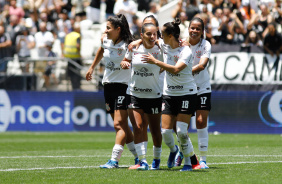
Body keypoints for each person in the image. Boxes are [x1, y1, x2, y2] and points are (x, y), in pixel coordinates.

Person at [143, 18, 198, 171]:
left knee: (180, 130)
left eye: (161, 34)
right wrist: (135, 43)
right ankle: (175, 150)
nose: (158, 36)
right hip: (169, 94)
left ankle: (189, 162)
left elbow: (175, 69)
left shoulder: (185, 51)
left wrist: (156, 62)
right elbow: (149, 41)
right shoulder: (164, 45)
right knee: (166, 132)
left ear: (171, 35)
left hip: (187, 93)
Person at [85, 14, 138, 168]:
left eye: (108, 28)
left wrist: (129, 64)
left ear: (118, 29)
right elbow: (101, 51)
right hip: (108, 86)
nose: (106, 31)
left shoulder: (129, 45)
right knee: (122, 126)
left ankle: (114, 160)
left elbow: (138, 60)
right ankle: (138, 156)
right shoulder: (105, 40)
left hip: (123, 86)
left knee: (118, 124)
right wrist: (92, 67)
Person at [120, 23, 163, 170]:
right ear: (142, 35)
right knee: (138, 127)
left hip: (154, 95)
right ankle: (142, 161)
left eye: (154, 34)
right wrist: (124, 64)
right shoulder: (134, 47)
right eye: (149, 34)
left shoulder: (161, 48)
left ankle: (156, 158)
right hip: (134, 94)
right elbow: (125, 60)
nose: (152, 37)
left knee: (156, 131)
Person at [175, 17, 212, 169]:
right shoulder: (181, 44)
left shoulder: (206, 44)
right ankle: (185, 152)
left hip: (202, 88)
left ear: (202, 31)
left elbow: (202, 65)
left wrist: (182, 73)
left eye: (198, 28)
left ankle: (203, 159)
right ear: (188, 29)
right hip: (184, 89)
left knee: (201, 122)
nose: (194, 31)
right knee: (182, 126)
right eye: (192, 28)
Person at [62, 22, 82, 90]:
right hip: (76, 57)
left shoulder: (68, 35)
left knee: (71, 73)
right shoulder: (77, 35)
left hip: (68, 58)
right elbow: (77, 46)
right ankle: (77, 87)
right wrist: (80, 54)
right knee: (77, 73)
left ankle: (72, 87)